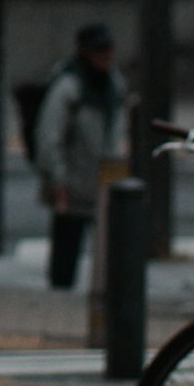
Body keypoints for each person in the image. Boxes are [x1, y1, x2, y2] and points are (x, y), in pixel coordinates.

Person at [34, 21, 127, 290]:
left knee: (108, 255)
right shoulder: (69, 87)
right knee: (65, 255)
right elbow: (50, 138)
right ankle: (60, 303)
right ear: (85, 52)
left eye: (108, 49)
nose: (105, 55)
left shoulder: (113, 84)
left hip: (103, 184)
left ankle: (102, 297)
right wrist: (57, 179)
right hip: (72, 186)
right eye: (99, 50)